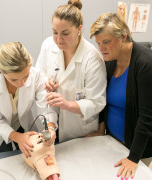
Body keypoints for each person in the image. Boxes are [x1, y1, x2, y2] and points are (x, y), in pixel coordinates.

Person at [89, 13, 152, 179]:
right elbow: (104, 100)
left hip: (142, 145)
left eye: (106, 42)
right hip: (115, 139)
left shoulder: (148, 64)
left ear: (123, 37)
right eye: (98, 43)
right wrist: (100, 130)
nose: (101, 48)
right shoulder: (110, 60)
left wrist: (134, 158)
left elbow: (148, 117)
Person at [36, 0, 107, 143]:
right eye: (55, 32)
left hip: (79, 130)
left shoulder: (92, 58)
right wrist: (46, 83)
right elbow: (39, 79)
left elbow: (96, 102)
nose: (58, 39)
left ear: (79, 29)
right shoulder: (48, 45)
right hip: (51, 122)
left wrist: (67, 105)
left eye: (65, 33)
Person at [0, 42, 58, 158]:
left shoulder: (36, 75)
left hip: (22, 123)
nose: (21, 83)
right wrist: (18, 137)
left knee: (30, 157)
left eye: (25, 76)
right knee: (3, 162)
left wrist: (50, 127)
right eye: (14, 79)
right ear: (1, 71)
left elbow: (45, 105)